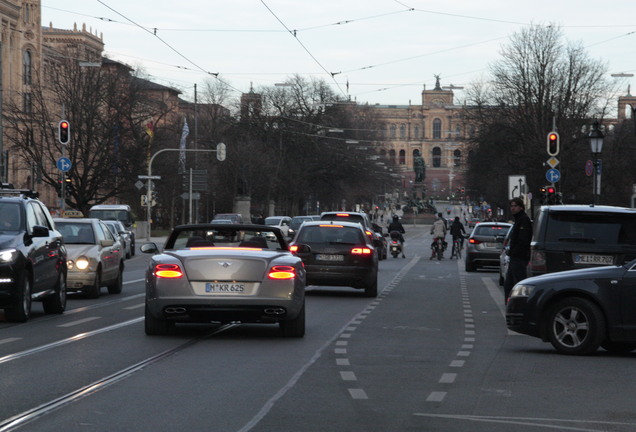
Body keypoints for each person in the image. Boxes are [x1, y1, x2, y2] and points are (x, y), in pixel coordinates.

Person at [503, 197, 532, 303]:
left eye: (515, 206)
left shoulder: (523, 220)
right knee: (509, 285)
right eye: (511, 206)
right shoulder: (518, 220)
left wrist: (513, 251)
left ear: (521, 207)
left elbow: (523, 241)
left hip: (519, 258)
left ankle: (519, 305)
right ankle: (511, 305)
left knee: (518, 284)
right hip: (515, 257)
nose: (513, 208)